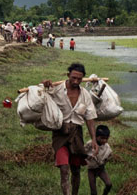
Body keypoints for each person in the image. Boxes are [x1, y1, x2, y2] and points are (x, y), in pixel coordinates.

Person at [43, 63, 98, 195]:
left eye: (79, 79)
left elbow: (89, 118)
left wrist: (94, 139)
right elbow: (42, 92)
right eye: (73, 78)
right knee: (64, 168)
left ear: (83, 78)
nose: (76, 81)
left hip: (76, 134)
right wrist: (45, 84)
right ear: (68, 75)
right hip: (60, 133)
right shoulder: (56, 89)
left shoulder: (85, 95)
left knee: (76, 169)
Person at [86, 125, 113, 195]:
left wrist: (105, 160)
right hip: (91, 170)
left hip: (101, 169)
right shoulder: (90, 144)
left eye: (106, 138)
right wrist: (88, 157)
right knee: (93, 192)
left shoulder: (107, 147)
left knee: (109, 184)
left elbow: (109, 155)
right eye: (102, 138)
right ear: (96, 136)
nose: (104, 140)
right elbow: (83, 152)